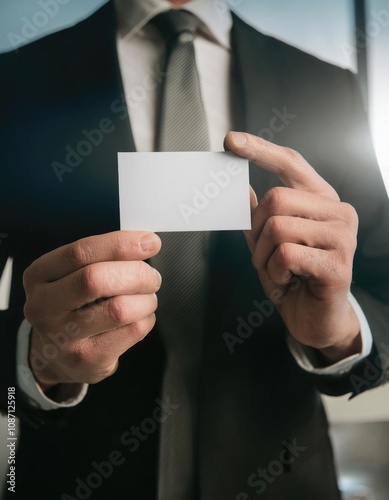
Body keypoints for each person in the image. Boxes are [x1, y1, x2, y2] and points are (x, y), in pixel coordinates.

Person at [0, 0, 388, 498]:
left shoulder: (326, 85)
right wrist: (37, 360)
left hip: (281, 478)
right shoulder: (16, 79)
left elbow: (382, 285)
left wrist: (339, 329)